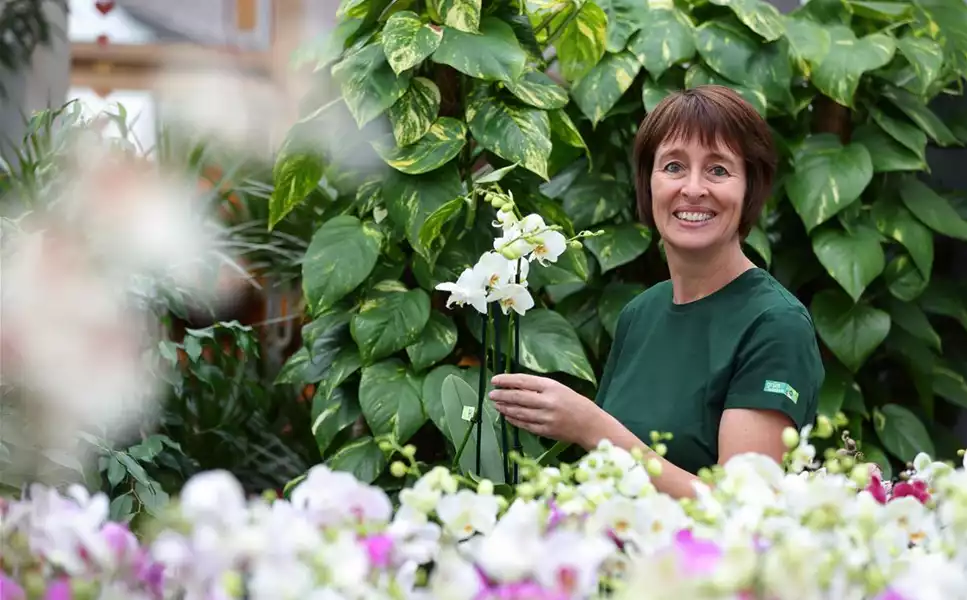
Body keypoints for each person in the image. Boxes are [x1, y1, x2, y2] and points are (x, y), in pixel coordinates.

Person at [489, 85, 825, 499]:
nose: (693, 188)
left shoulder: (775, 325)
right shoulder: (640, 314)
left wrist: (591, 428)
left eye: (718, 170)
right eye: (674, 166)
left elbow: (742, 507)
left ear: (751, 188)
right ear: (648, 183)